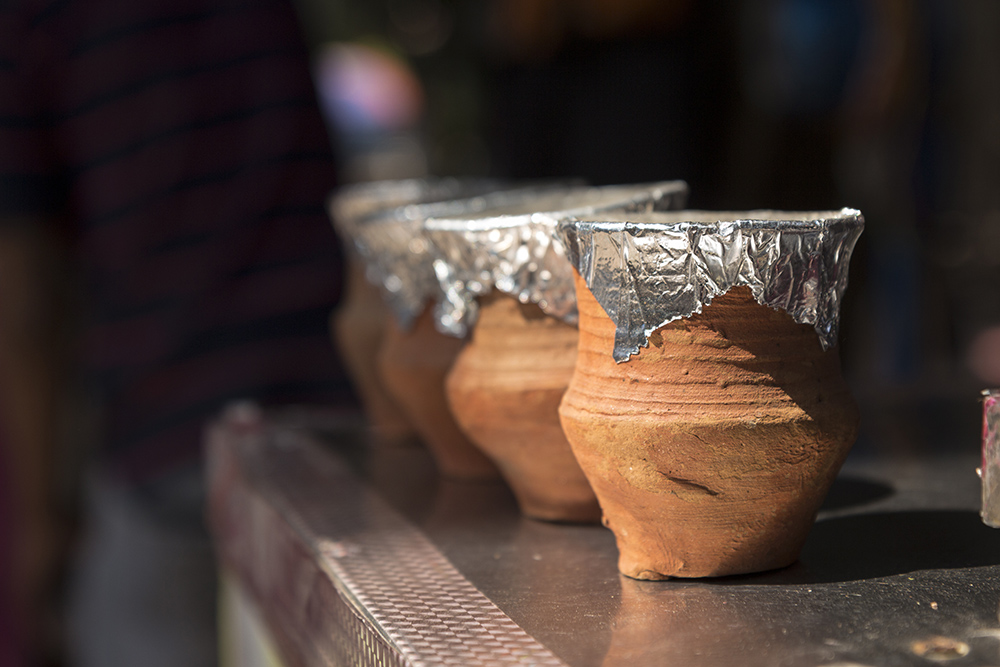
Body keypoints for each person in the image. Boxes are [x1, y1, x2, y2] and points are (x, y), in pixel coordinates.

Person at [0, 0, 356, 664]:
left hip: (166, 423)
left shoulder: (34, 23)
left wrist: (39, 522)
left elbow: (25, 296)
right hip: (324, 391)